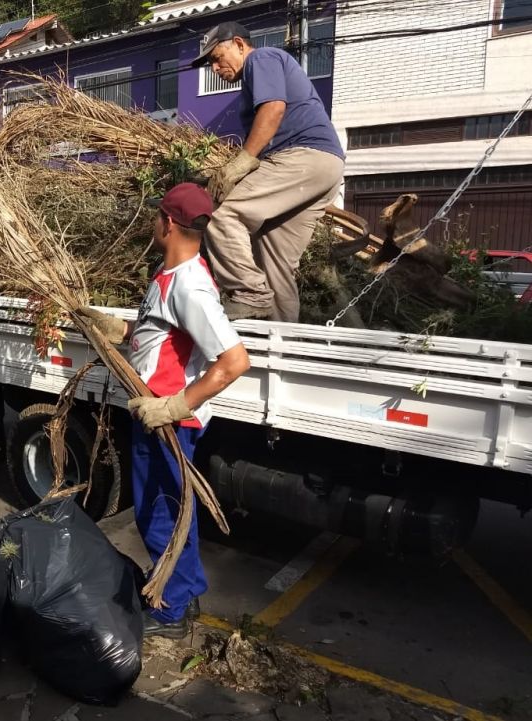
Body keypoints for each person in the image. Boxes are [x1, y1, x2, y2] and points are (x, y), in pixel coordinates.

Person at [77, 183, 250, 638]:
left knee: (160, 514)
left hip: (169, 423)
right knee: (168, 511)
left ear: (168, 223)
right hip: (154, 415)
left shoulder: (191, 286)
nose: (153, 222)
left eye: (156, 216)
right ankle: (184, 589)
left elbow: (234, 362)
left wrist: (174, 406)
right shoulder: (168, 274)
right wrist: (121, 328)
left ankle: (172, 610)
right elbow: (162, 334)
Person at [193, 22, 345, 322]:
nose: (214, 68)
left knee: (224, 216)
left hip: (303, 156)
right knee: (274, 260)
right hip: (326, 166)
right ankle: (283, 345)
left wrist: (240, 162)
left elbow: (273, 109)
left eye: (216, 57)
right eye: (210, 63)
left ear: (238, 43)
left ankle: (249, 293)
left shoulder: (261, 59)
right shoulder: (256, 77)